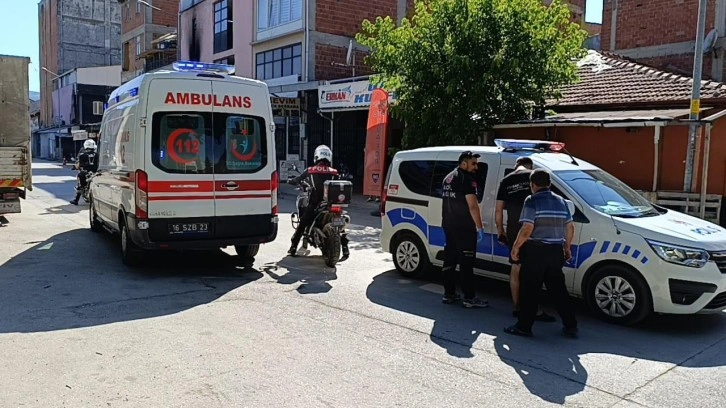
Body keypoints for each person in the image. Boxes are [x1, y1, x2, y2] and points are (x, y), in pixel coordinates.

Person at [505, 169, 578, 338]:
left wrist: (516, 248)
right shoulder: (561, 201)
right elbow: (570, 226)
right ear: (549, 184)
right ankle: (570, 325)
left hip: (536, 251)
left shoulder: (531, 200)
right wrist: (567, 247)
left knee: (530, 290)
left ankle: (524, 327)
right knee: (558, 290)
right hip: (556, 251)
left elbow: (527, 228)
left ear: (532, 184)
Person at [495, 157, 555, 322]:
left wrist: (501, 231)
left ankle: (517, 306)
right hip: (536, 227)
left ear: (516, 166)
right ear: (531, 166)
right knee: (534, 269)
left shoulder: (506, 180)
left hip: (514, 228)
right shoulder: (535, 177)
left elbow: (499, 210)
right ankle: (534, 308)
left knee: (516, 266)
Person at [440, 151, 488, 308]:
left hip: (448, 224)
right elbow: (473, 206)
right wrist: (479, 227)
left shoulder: (448, 177)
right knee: (466, 262)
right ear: (464, 163)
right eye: (473, 164)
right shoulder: (467, 179)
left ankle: (449, 294)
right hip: (464, 227)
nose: (476, 167)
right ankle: (469, 297)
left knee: (450, 259)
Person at [287, 145, 350, 259]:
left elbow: (298, 179)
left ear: (316, 156)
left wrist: (291, 181)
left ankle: (293, 246)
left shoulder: (310, 170)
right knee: (339, 222)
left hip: (315, 204)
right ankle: (345, 248)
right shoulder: (334, 172)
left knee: (303, 222)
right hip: (332, 203)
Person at [70, 139, 99, 205]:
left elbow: (78, 165)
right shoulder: (97, 155)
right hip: (95, 172)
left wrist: (75, 167)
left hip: (85, 172)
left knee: (80, 185)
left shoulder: (82, 155)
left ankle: (76, 200)